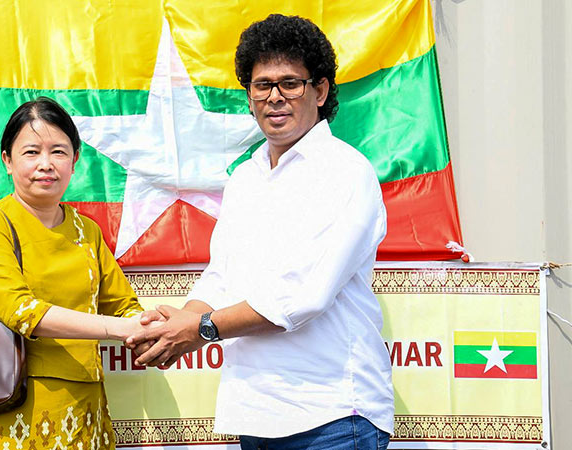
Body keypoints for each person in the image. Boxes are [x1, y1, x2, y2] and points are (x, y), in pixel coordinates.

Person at [126, 14, 394, 449]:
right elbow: (222, 276)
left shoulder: (345, 173)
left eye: (290, 83)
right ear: (249, 96)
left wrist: (201, 329)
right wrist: (181, 322)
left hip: (331, 417)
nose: (275, 97)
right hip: (253, 412)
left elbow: (303, 296)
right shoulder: (246, 178)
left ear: (321, 90)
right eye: (262, 85)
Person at [0, 97, 152, 450]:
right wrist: (115, 328)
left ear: (75, 160)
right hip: (13, 403)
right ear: (7, 161)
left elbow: (123, 305)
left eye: (58, 152)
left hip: (85, 404)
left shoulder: (86, 230)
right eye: (31, 152)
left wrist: (151, 326)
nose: (45, 164)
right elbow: (21, 311)